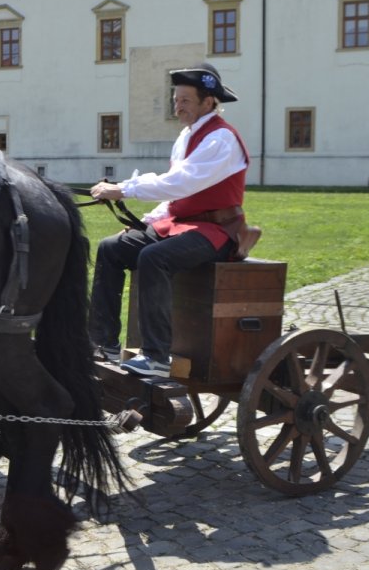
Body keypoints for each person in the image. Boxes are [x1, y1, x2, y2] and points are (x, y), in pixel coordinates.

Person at [87, 62, 255, 378]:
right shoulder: (187, 136)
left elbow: (181, 183)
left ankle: (156, 358)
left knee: (154, 257)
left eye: (185, 100)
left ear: (209, 102)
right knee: (111, 248)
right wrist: (145, 222)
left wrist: (123, 189)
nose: (178, 107)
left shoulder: (221, 138)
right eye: (176, 100)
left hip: (217, 232)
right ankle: (103, 343)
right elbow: (176, 197)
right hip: (183, 225)